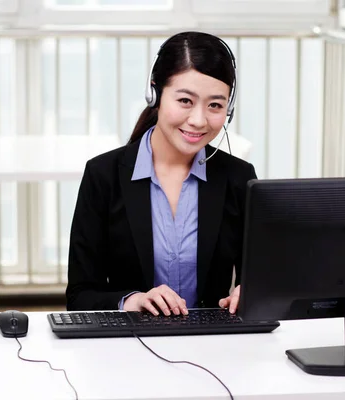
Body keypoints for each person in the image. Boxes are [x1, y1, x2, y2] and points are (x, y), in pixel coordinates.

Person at [66, 31, 257, 317]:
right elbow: (80, 297)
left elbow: (255, 278)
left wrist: (251, 292)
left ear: (228, 109)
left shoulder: (238, 178)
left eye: (215, 105)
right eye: (185, 101)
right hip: (130, 344)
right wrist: (132, 301)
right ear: (154, 93)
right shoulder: (103, 175)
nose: (198, 120)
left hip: (214, 346)